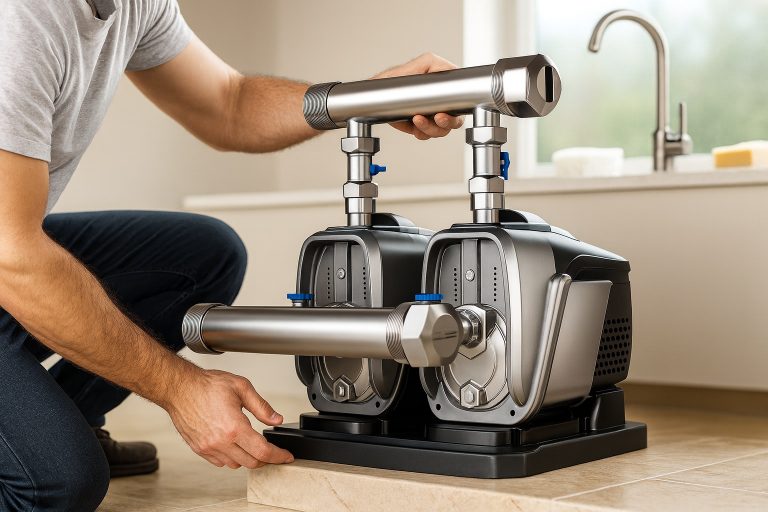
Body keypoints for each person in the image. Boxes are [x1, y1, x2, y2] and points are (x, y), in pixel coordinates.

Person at [0, 0, 463, 510]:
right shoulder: (21, 18)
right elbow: (13, 255)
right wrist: (178, 389)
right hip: (7, 249)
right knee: (54, 486)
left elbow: (230, 103)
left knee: (202, 254)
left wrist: (364, 99)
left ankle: (62, 420)